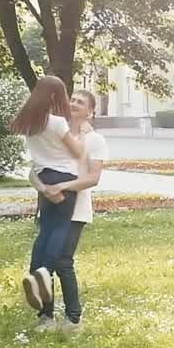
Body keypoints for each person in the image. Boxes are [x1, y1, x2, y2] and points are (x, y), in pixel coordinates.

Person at [9, 76, 84, 327]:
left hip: (43, 178)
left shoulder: (29, 123)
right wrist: (79, 137)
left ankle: (38, 277)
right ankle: (45, 271)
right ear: (55, 96)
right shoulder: (56, 123)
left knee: (45, 230)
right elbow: (77, 153)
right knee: (60, 228)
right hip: (63, 177)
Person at [33, 88, 109, 332]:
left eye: (81, 102)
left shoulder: (95, 140)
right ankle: (46, 317)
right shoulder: (56, 134)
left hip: (75, 209)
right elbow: (36, 170)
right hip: (49, 205)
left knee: (62, 261)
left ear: (91, 111)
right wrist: (47, 189)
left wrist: (62, 186)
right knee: (41, 262)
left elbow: (93, 178)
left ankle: (73, 319)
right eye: (72, 100)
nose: (74, 103)